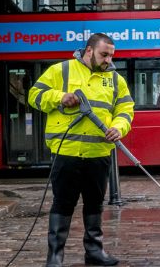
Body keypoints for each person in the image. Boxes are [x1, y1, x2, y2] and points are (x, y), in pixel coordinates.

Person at [28, 33, 133, 267]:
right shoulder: (60, 70)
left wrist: (119, 127)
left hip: (99, 154)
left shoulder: (116, 79)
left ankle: (94, 252)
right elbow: (34, 96)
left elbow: (126, 108)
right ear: (88, 51)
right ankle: (55, 256)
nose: (108, 60)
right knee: (63, 203)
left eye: (111, 56)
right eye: (103, 54)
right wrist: (59, 97)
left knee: (95, 203)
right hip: (66, 152)